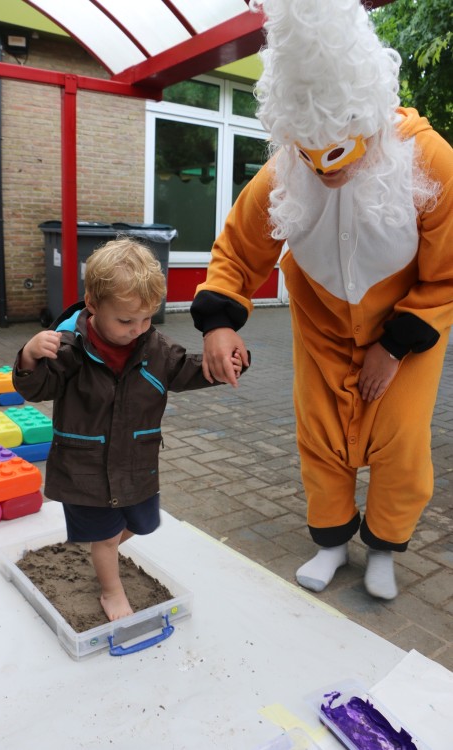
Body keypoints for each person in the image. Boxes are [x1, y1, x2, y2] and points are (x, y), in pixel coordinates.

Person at [190, 0, 453, 600]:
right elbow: (235, 251)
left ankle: (384, 548)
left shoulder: (431, 161)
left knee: (402, 443)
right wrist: (217, 323)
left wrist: (396, 345)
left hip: (405, 331)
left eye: (335, 152)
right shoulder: (284, 173)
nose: (322, 168)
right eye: (307, 151)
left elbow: (447, 274)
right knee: (321, 437)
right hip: (322, 327)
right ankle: (332, 544)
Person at [13, 239, 243, 621]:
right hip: (85, 468)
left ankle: (101, 551)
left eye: (147, 318)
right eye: (125, 321)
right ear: (93, 304)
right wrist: (29, 355)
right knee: (104, 538)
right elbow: (36, 387)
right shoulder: (69, 349)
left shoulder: (157, 349)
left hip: (136, 466)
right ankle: (110, 590)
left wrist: (225, 365)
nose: (137, 330)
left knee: (142, 524)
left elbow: (187, 370)